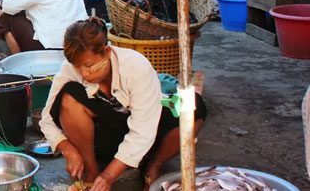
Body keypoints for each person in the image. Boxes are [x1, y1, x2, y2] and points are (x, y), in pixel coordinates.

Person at [40, 18, 207, 191]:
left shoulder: (136, 66)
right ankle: (91, 174)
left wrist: (109, 176)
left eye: (89, 66)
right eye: (77, 67)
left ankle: (154, 164)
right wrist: (68, 149)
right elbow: (46, 119)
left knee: (193, 105)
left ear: (106, 52)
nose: (84, 73)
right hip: (105, 137)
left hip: (148, 135)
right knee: (68, 96)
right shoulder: (70, 68)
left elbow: (143, 131)